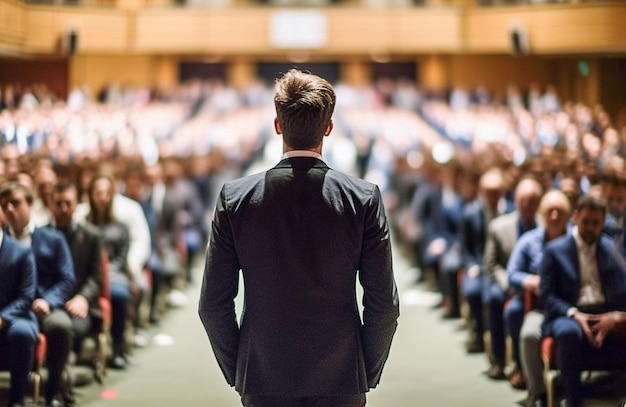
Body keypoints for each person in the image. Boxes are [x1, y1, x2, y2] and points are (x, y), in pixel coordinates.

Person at [198, 69, 399, 407]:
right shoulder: (363, 198)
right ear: (329, 128)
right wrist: (365, 368)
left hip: (262, 374)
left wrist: (241, 368)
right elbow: (383, 306)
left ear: (277, 125)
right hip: (342, 374)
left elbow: (212, 305)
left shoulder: (236, 198)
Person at [539, 194, 626, 407]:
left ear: (603, 222)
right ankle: (573, 401)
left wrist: (616, 317)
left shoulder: (612, 248)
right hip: (568, 313)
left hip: (605, 310)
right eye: (585, 221)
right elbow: (546, 296)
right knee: (569, 332)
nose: (590, 228)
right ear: (575, 217)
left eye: (595, 223)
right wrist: (574, 314)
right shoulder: (554, 250)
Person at [0, 182, 75, 407]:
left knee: (61, 326)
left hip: (43, 304)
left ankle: (53, 391)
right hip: (15, 305)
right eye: (5, 205)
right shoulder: (4, 240)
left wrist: (48, 301)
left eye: (16, 203)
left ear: (30, 205)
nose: (11, 209)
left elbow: (67, 279)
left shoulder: (52, 239)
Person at [507, 189, 572, 407]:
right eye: (550, 211)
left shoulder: (576, 239)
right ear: (542, 214)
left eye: (560, 211)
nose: (554, 216)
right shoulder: (529, 240)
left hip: (571, 306)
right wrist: (531, 281)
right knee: (527, 335)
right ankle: (538, 393)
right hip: (541, 307)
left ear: (568, 215)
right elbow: (512, 273)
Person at [482, 176, 543, 384]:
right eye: (523, 200)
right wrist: (509, 284)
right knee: (495, 299)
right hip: (507, 283)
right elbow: (491, 264)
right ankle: (500, 360)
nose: (527, 205)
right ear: (516, 200)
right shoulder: (499, 227)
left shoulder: (547, 225)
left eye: (532, 200)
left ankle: (527, 365)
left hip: (537, 285)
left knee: (518, 310)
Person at [49, 182, 103, 366]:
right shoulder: (42, 235)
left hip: (80, 300)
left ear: (76, 204)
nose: (64, 209)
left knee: (76, 327)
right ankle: (62, 370)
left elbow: (96, 277)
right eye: (59, 203)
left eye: (68, 203)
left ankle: (64, 367)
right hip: (51, 301)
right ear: (50, 204)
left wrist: (83, 298)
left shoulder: (91, 235)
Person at [84, 174, 132, 370]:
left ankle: (118, 348)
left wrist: (106, 273)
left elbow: (121, 257)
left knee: (119, 295)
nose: (102, 197)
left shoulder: (120, 226)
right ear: (91, 195)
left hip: (113, 275)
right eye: (98, 192)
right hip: (88, 276)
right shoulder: (83, 225)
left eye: (106, 192)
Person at [0, 205, 39, 407]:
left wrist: (2, 318)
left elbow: (26, 297)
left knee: (22, 332)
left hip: (16, 316)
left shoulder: (21, 252)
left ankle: (17, 400)